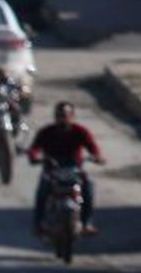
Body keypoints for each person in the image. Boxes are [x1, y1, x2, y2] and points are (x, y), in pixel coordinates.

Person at [26, 100, 105, 235]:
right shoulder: (46, 132)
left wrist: (97, 156)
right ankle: (38, 224)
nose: (62, 119)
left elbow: (93, 147)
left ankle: (87, 223)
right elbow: (34, 148)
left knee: (88, 187)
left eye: (65, 115)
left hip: (74, 170)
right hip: (52, 170)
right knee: (42, 191)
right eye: (59, 115)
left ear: (72, 116)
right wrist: (34, 157)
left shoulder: (80, 131)